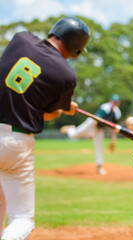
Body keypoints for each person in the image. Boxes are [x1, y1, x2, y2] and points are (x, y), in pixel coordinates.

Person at [0, 17, 90, 240]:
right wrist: (65, 109)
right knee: (22, 218)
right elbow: (46, 114)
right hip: (16, 143)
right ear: (76, 48)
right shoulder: (66, 76)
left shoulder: (20, 39)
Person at [60, 94, 122, 175]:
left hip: (99, 129)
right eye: (113, 101)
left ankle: (99, 167)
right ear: (110, 101)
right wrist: (92, 133)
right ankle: (70, 129)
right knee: (73, 136)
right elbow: (95, 120)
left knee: (99, 146)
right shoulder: (105, 108)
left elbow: (113, 128)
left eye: (116, 102)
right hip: (91, 123)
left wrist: (113, 141)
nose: (114, 103)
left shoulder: (117, 113)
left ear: (118, 103)